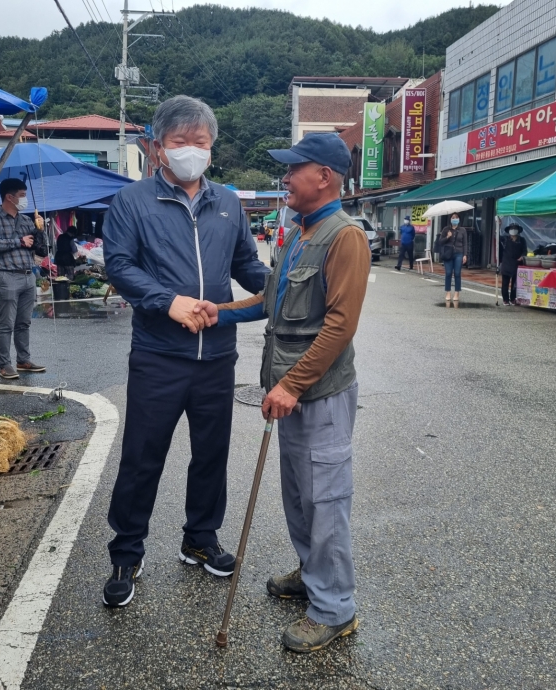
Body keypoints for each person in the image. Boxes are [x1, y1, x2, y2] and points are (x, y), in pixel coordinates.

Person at [202, 132, 371, 653]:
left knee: (325, 498)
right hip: (290, 393)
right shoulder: (298, 232)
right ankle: (312, 573)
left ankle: (335, 608)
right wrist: (219, 311)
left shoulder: (345, 237)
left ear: (324, 176)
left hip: (316, 393)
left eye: (294, 168)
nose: (286, 177)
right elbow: (271, 301)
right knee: (299, 494)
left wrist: (293, 384)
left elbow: (341, 325)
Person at [101, 95, 268, 607]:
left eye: (200, 143)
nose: (190, 151)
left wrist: (288, 285)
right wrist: (167, 302)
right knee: (141, 458)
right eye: (179, 143)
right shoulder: (133, 202)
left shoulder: (228, 203)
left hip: (217, 356)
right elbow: (120, 265)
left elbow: (248, 268)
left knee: (211, 456)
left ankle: (199, 539)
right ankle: (127, 552)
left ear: (212, 149)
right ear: (157, 148)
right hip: (158, 354)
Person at [0, 178, 46, 380]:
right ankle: (5, 364)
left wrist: (40, 230)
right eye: (22, 195)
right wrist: (18, 241)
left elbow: (41, 250)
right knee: (6, 324)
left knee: (24, 322)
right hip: (7, 275)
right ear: (9, 197)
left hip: (28, 276)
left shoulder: (27, 220)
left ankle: (23, 359)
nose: (24, 199)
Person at [438, 212, 467, 302]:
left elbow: (465, 243)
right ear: (450, 219)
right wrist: (447, 236)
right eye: (453, 217)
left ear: (459, 219)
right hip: (448, 254)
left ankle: (457, 292)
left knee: (457, 273)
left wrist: (465, 255)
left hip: (459, 253)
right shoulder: (446, 229)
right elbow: (440, 242)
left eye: (456, 217)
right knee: (448, 273)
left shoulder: (462, 230)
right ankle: (448, 292)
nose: (455, 219)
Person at [500, 223, 527, 305]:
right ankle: (505, 299)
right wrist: (499, 224)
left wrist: (522, 257)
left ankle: (513, 298)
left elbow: (525, 251)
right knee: (505, 283)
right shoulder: (504, 239)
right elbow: (497, 238)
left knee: (515, 283)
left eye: (515, 228)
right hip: (506, 262)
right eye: (512, 228)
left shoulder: (522, 240)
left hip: (517, 263)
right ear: (509, 231)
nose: (513, 230)